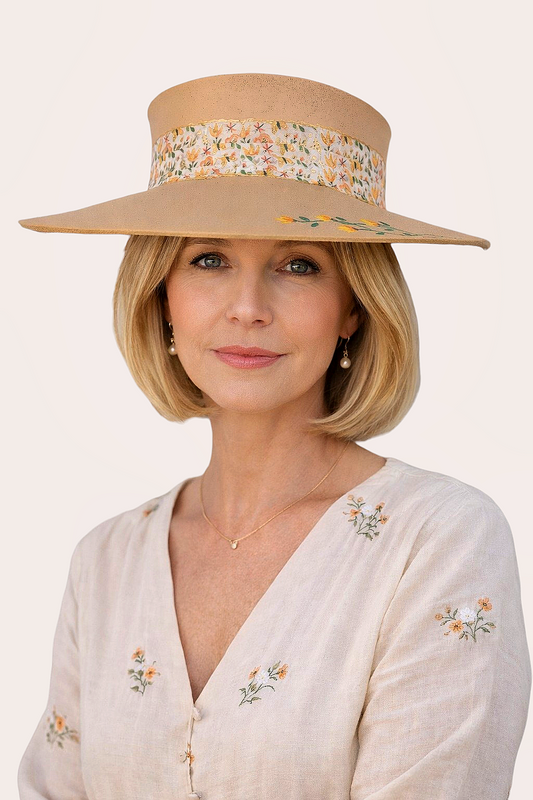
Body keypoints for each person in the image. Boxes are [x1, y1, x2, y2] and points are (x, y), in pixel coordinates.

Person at [16, 73, 530, 800]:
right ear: (161, 295)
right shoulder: (107, 560)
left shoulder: (438, 541)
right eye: (208, 259)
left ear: (352, 306)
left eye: (297, 264)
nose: (248, 307)